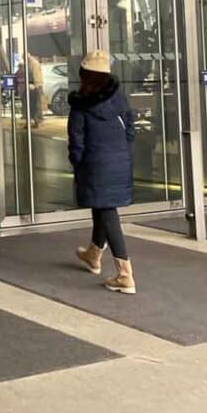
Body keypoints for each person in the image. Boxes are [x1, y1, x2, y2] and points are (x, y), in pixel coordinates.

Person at [68, 50, 137, 294]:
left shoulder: (81, 105)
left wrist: (77, 164)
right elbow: (130, 130)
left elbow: (77, 143)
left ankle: (125, 274)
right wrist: (121, 151)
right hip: (120, 161)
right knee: (102, 205)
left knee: (107, 212)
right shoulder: (119, 99)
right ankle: (93, 254)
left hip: (95, 164)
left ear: (84, 75)